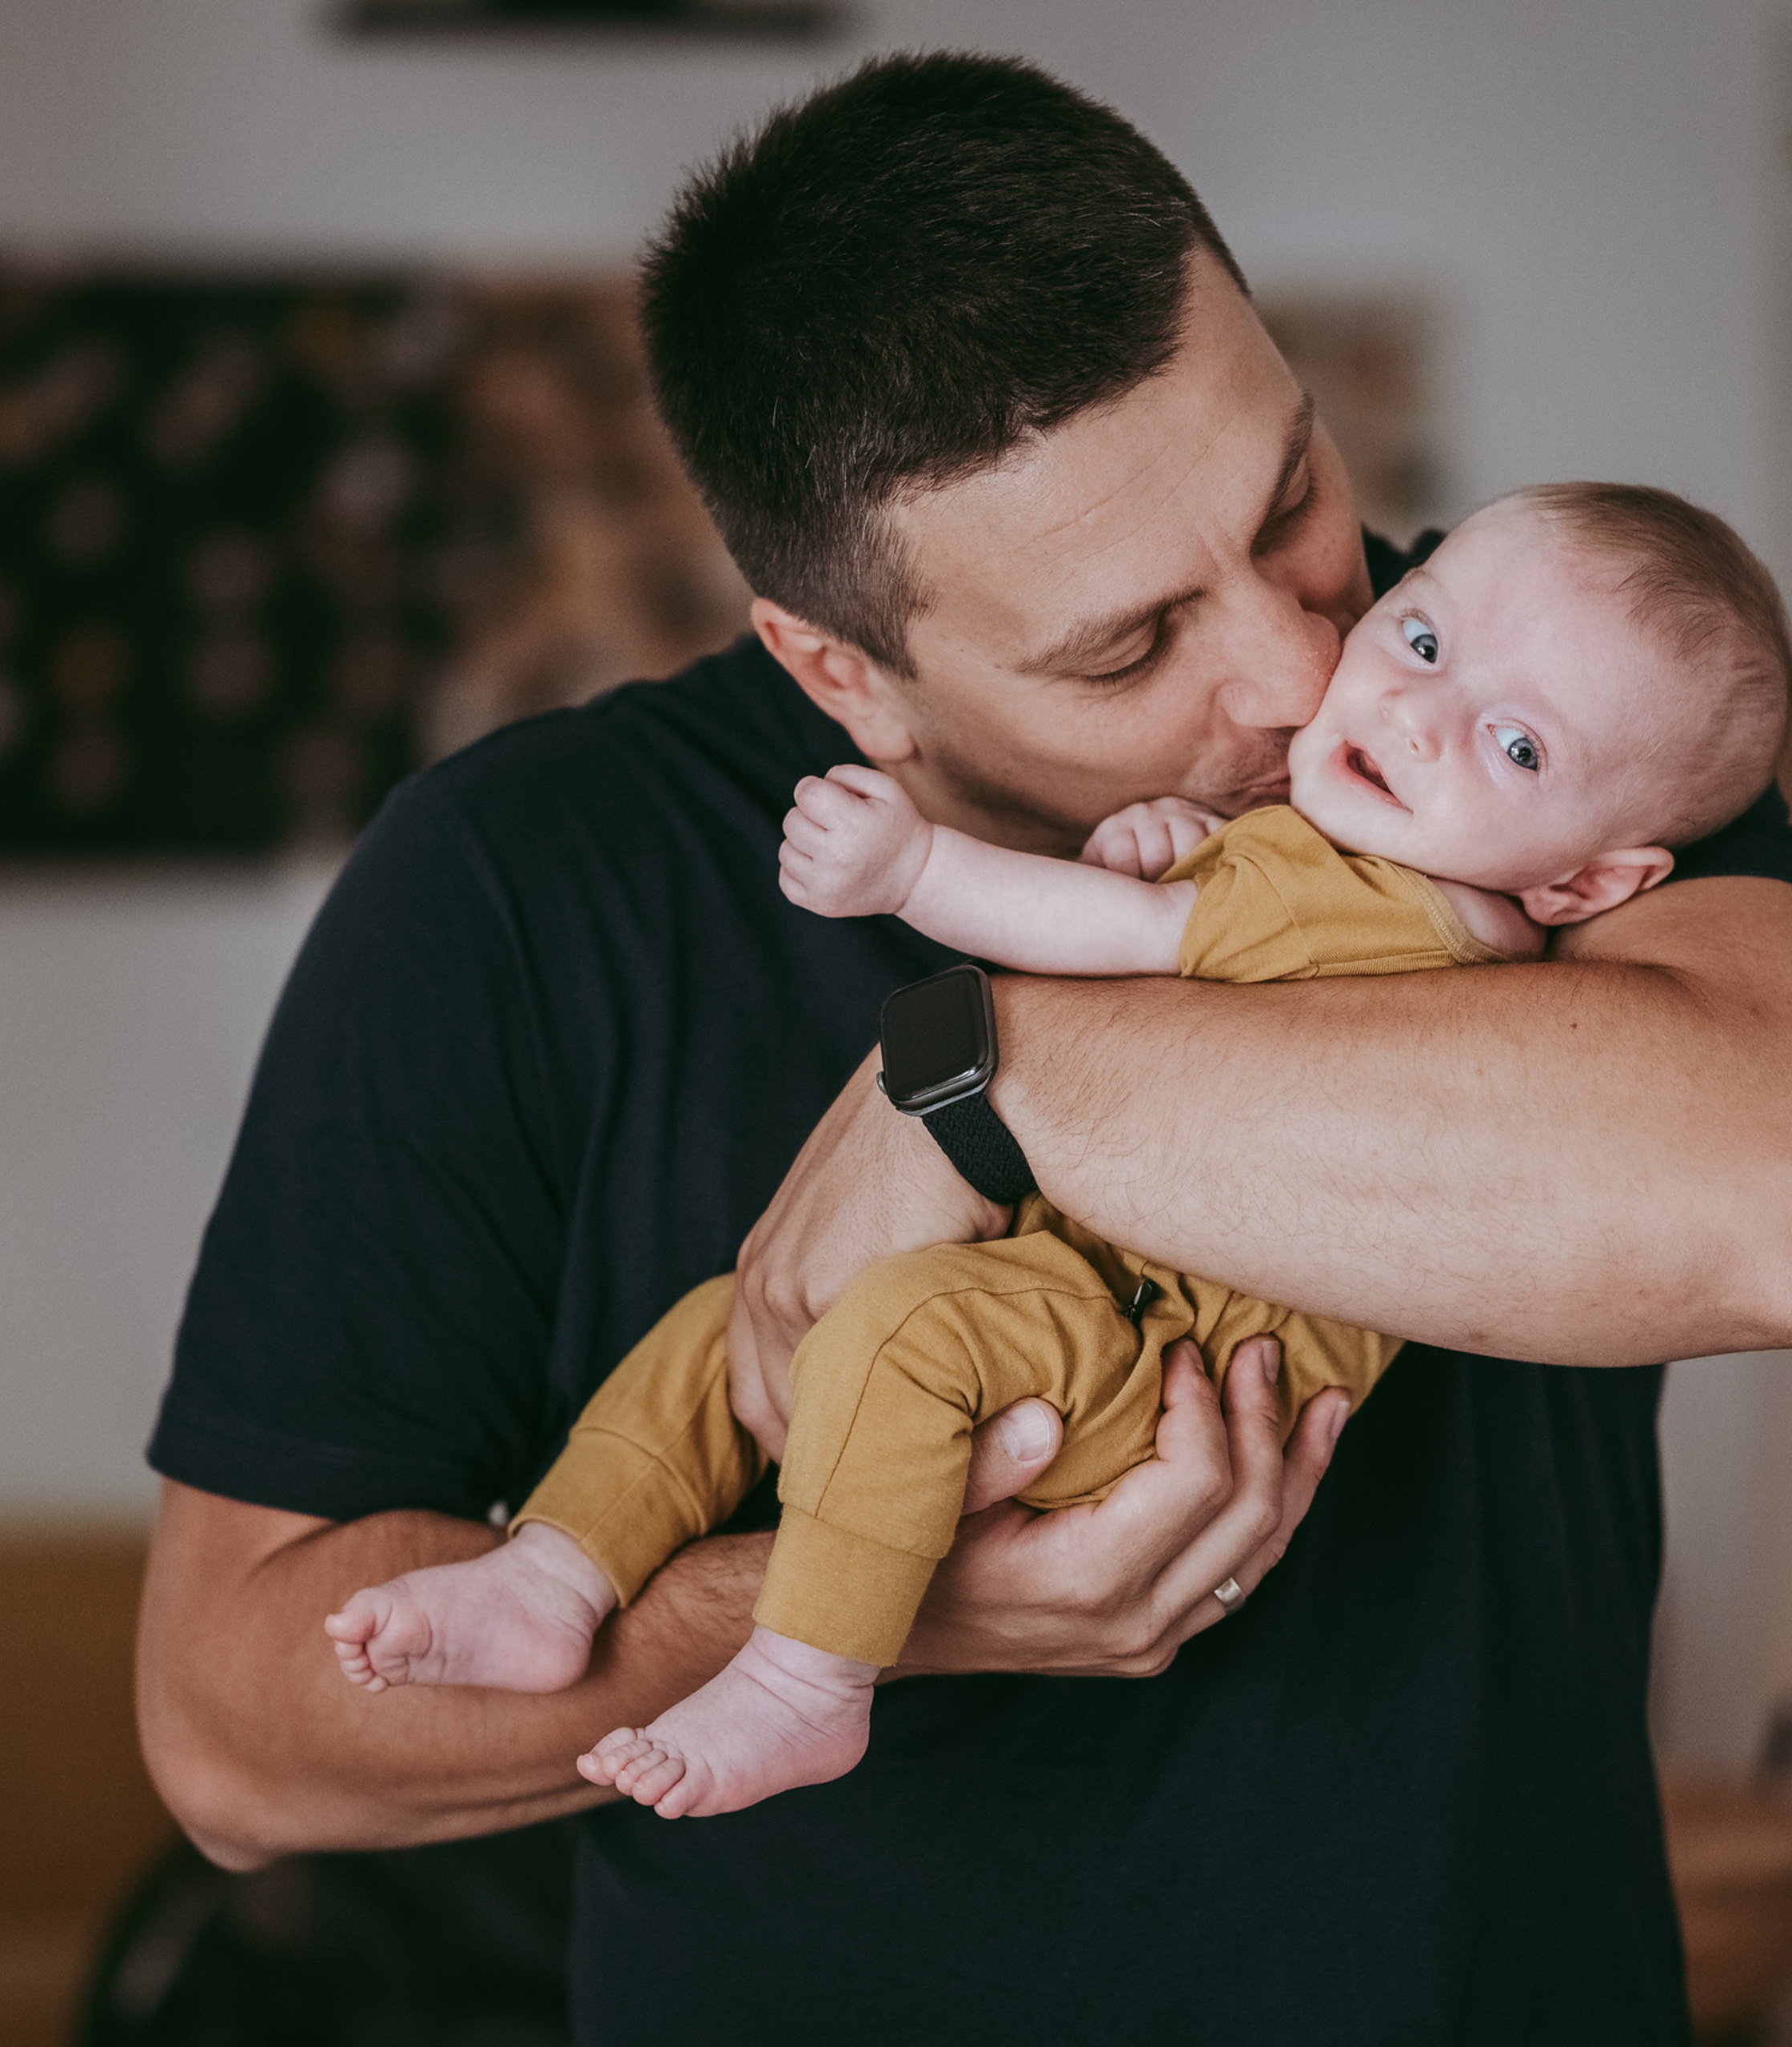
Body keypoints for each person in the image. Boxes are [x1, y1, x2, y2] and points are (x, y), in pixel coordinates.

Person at [136, 53, 1792, 2046]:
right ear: (842, 674)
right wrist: (857, 1603)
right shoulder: (521, 883)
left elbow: (1765, 1175)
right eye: (1127, 646)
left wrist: (980, 1071)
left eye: (1293, 499)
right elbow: (232, 1735)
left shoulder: (1564, 714)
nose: (1300, 673)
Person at [318, 481, 1790, 1826]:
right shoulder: (1410, 882)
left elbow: (1116, 938)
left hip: (1158, 1360)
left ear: (1592, 882)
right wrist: (1187, 831)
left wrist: (914, 871)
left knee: (885, 1334)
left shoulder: (1375, 900)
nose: (1413, 714)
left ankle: (802, 1677)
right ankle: (553, 1574)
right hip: (1102, 1302)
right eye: (1418, 640)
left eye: (1517, 747)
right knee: (738, 1326)